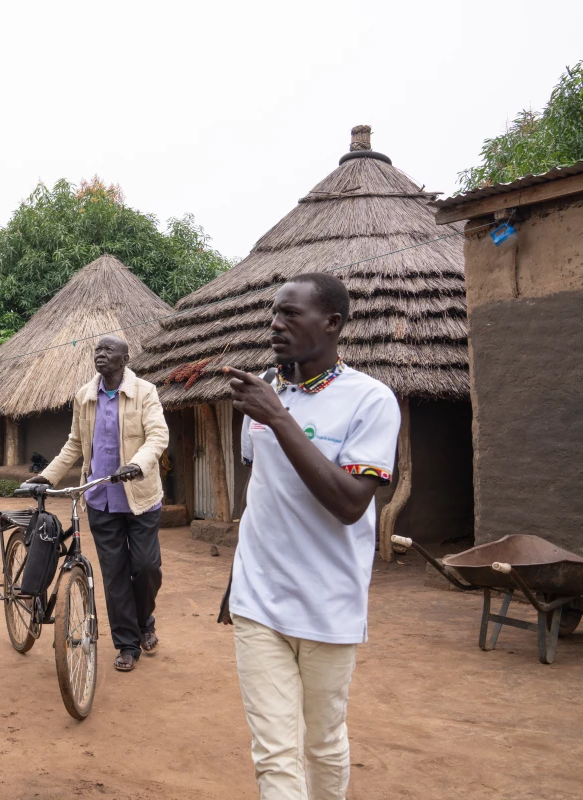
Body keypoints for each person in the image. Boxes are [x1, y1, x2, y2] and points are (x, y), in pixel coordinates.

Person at [220, 273, 401, 800]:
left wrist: (280, 419)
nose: (276, 324)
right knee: (274, 753)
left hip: (329, 603)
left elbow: (349, 504)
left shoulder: (370, 400)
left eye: (291, 314)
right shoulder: (263, 393)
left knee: (322, 742)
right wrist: (237, 576)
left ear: (333, 323)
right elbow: (261, 490)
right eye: (273, 314)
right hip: (259, 601)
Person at [30, 335, 169, 672]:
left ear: (124, 357)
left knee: (146, 567)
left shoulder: (145, 392)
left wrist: (138, 463)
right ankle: (127, 644)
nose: (100, 355)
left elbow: (158, 435)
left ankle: (144, 620)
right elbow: (75, 444)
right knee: (115, 574)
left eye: (108, 351)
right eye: (97, 351)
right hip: (99, 498)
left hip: (140, 498)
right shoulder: (85, 396)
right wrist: (47, 477)